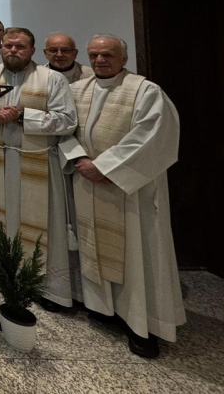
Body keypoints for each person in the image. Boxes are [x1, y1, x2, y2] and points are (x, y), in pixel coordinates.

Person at [60, 35, 185, 358]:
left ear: (124, 59)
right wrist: (79, 159)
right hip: (87, 181)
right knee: (92, 243)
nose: (100, 60)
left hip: (129, 190)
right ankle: (103, 308)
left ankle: (142, 324)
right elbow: (64, 130)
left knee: (137, 254)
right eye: (94, 55)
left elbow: (152, 137)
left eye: (107, 54)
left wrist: (104, 167)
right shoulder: (77, 90)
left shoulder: (146, 91)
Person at [0, 28, 78, 310]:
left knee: (44, 225)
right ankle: (7, 278)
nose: (13, 51)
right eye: (8, 45)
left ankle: (50, 289)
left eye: (20, 47)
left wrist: (23, 115)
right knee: (3, 220)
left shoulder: (52, 79)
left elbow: (67, 121)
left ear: (32, 51)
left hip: (38, 162)